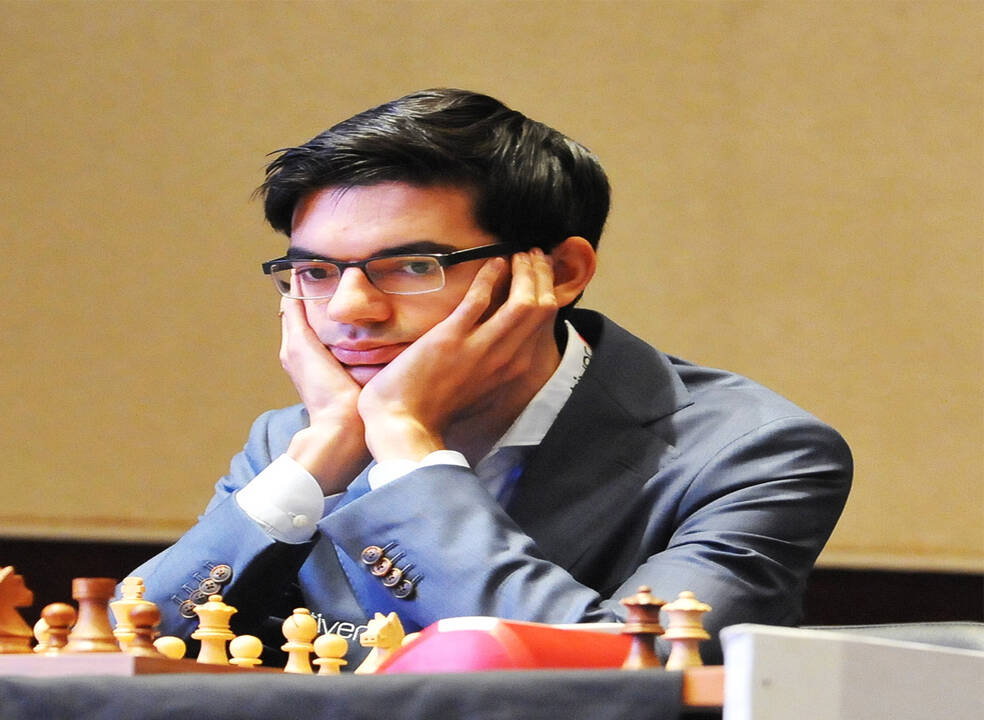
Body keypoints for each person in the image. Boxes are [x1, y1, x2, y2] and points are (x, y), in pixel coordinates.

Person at [126, 88, 852, 665]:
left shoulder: (753, 453)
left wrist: (408, 450)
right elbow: (118, 649)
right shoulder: (300, 440)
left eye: (414, 266)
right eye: (314, 272)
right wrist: (318, 461)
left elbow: (627, 681)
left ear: (561, 273)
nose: (349, 310)